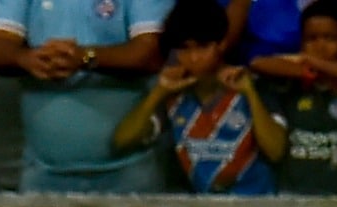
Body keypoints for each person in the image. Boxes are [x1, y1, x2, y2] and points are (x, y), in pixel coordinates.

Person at [0, 0, 170, 192]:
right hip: (42, 177)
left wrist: (86, 58)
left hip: (129, 176)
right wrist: (25, 59)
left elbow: (153, 52)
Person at [111, 0, 286, 194]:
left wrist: (250, 94)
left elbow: (276, 151)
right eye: (185, 48)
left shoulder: (254, 86)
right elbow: (122, 141)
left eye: (202, 47)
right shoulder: (173, 95)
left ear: (221, 44)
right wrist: (158, 93)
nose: (193, 58)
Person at [248, 0, 337, 195]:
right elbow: (257, 63)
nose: (320, 46)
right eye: (312, 39)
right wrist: (303, 68)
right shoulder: (290, 82)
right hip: (294, 196)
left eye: (330, 38)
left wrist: (310, 60)